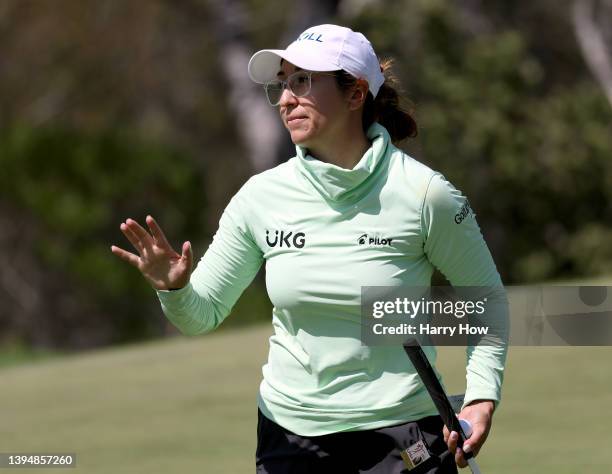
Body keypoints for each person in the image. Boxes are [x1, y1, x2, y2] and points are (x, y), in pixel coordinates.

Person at [111, 24, 508, 474]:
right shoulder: (260, 198)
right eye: (283, 84)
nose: (285, 99)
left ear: (356, 94)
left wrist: (480, 399)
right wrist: (175, 289)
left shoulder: (424, 195)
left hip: (402, 439)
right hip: (289, 436)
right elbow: (201, 315)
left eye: (302, 81)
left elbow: (485, 301)